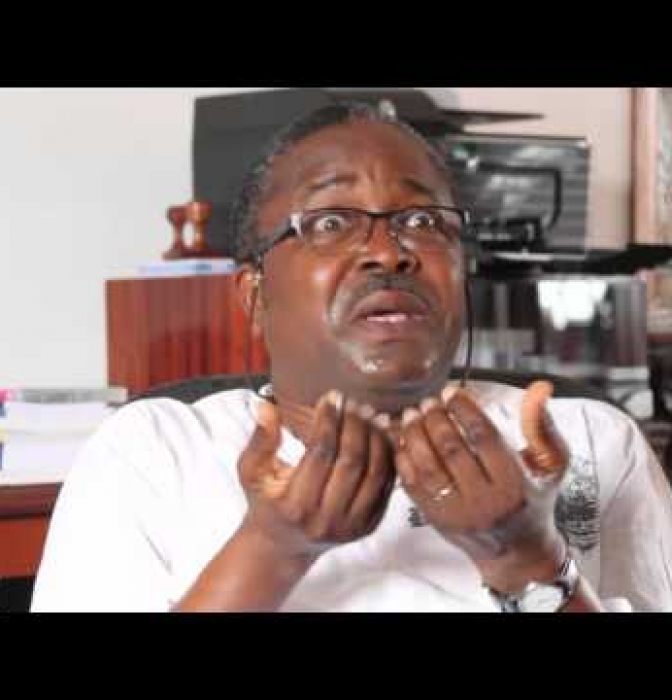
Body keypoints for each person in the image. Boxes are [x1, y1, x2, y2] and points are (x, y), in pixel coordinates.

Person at [31, 102, 672, 612]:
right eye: (331, 222)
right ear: (254, 295)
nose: (389, 252)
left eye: (422, 222)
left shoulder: (593, 441)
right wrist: (273, 547)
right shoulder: (153, 451)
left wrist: (525, 558)